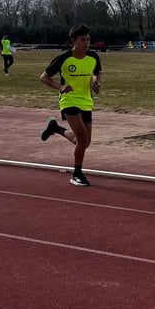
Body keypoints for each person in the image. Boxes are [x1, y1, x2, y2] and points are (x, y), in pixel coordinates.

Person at [38, 24, 102, 187]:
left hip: (86, 101)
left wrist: (96, 84)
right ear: (74, 41)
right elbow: (44, 77)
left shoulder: (93, 57)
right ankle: (77, 174)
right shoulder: (64, 58)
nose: (86, 43)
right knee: (82, 138)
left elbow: (97, 73)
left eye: (88, 39)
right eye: (82, 40)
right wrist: (60, 87)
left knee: (84, 142)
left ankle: (55, 128)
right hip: (69, 100)